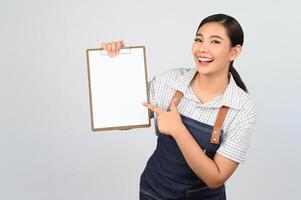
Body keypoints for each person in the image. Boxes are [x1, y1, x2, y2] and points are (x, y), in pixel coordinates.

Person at [101, 13, 256, 200]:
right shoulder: (170, 82)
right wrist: (119, 63)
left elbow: (215, 178)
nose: (202, 48)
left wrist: (178, 130)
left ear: (234, 52)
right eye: (199, 40)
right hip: (153, 192)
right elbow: (122, 119)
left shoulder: (241, 108)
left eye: (215, 42)